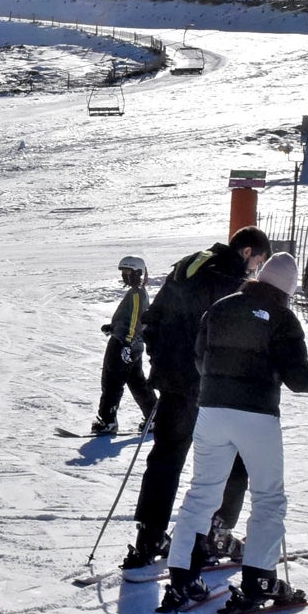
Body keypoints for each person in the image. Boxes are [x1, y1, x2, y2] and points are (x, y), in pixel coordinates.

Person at [159, 253, 308, 613]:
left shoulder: (219, 308)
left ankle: (183, 578)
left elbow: (200, 359)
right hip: (256, 416)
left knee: (202, 492)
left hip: (212, 411)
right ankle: (259, 580)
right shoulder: (282, 317)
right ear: (287, 289)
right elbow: (297, 379)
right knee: (268, 497)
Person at [121, 226, 271, 570]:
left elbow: (153, 318)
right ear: (247, 252)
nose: (256, 270)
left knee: (167, 456)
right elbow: (232, 335)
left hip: (174, 379)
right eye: (258, 261)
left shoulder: (189, 263)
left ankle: (150, 534)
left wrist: (161, 360)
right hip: (210, 386)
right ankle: (217, 532)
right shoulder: (232, 278)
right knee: (235, 456)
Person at [91, 256, 158, 435]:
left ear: (138, 273)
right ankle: (155, 417)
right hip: (130, 343)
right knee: (137, 382)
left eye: (128, 273)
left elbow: (136, 319)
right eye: (123, 273)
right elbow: (131, 319)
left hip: (123, 345)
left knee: (112, 381)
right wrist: (114, 327)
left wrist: (126, 342)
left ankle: (107, 420)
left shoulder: (136, 293)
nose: (125, 276)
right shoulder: (138, 292)